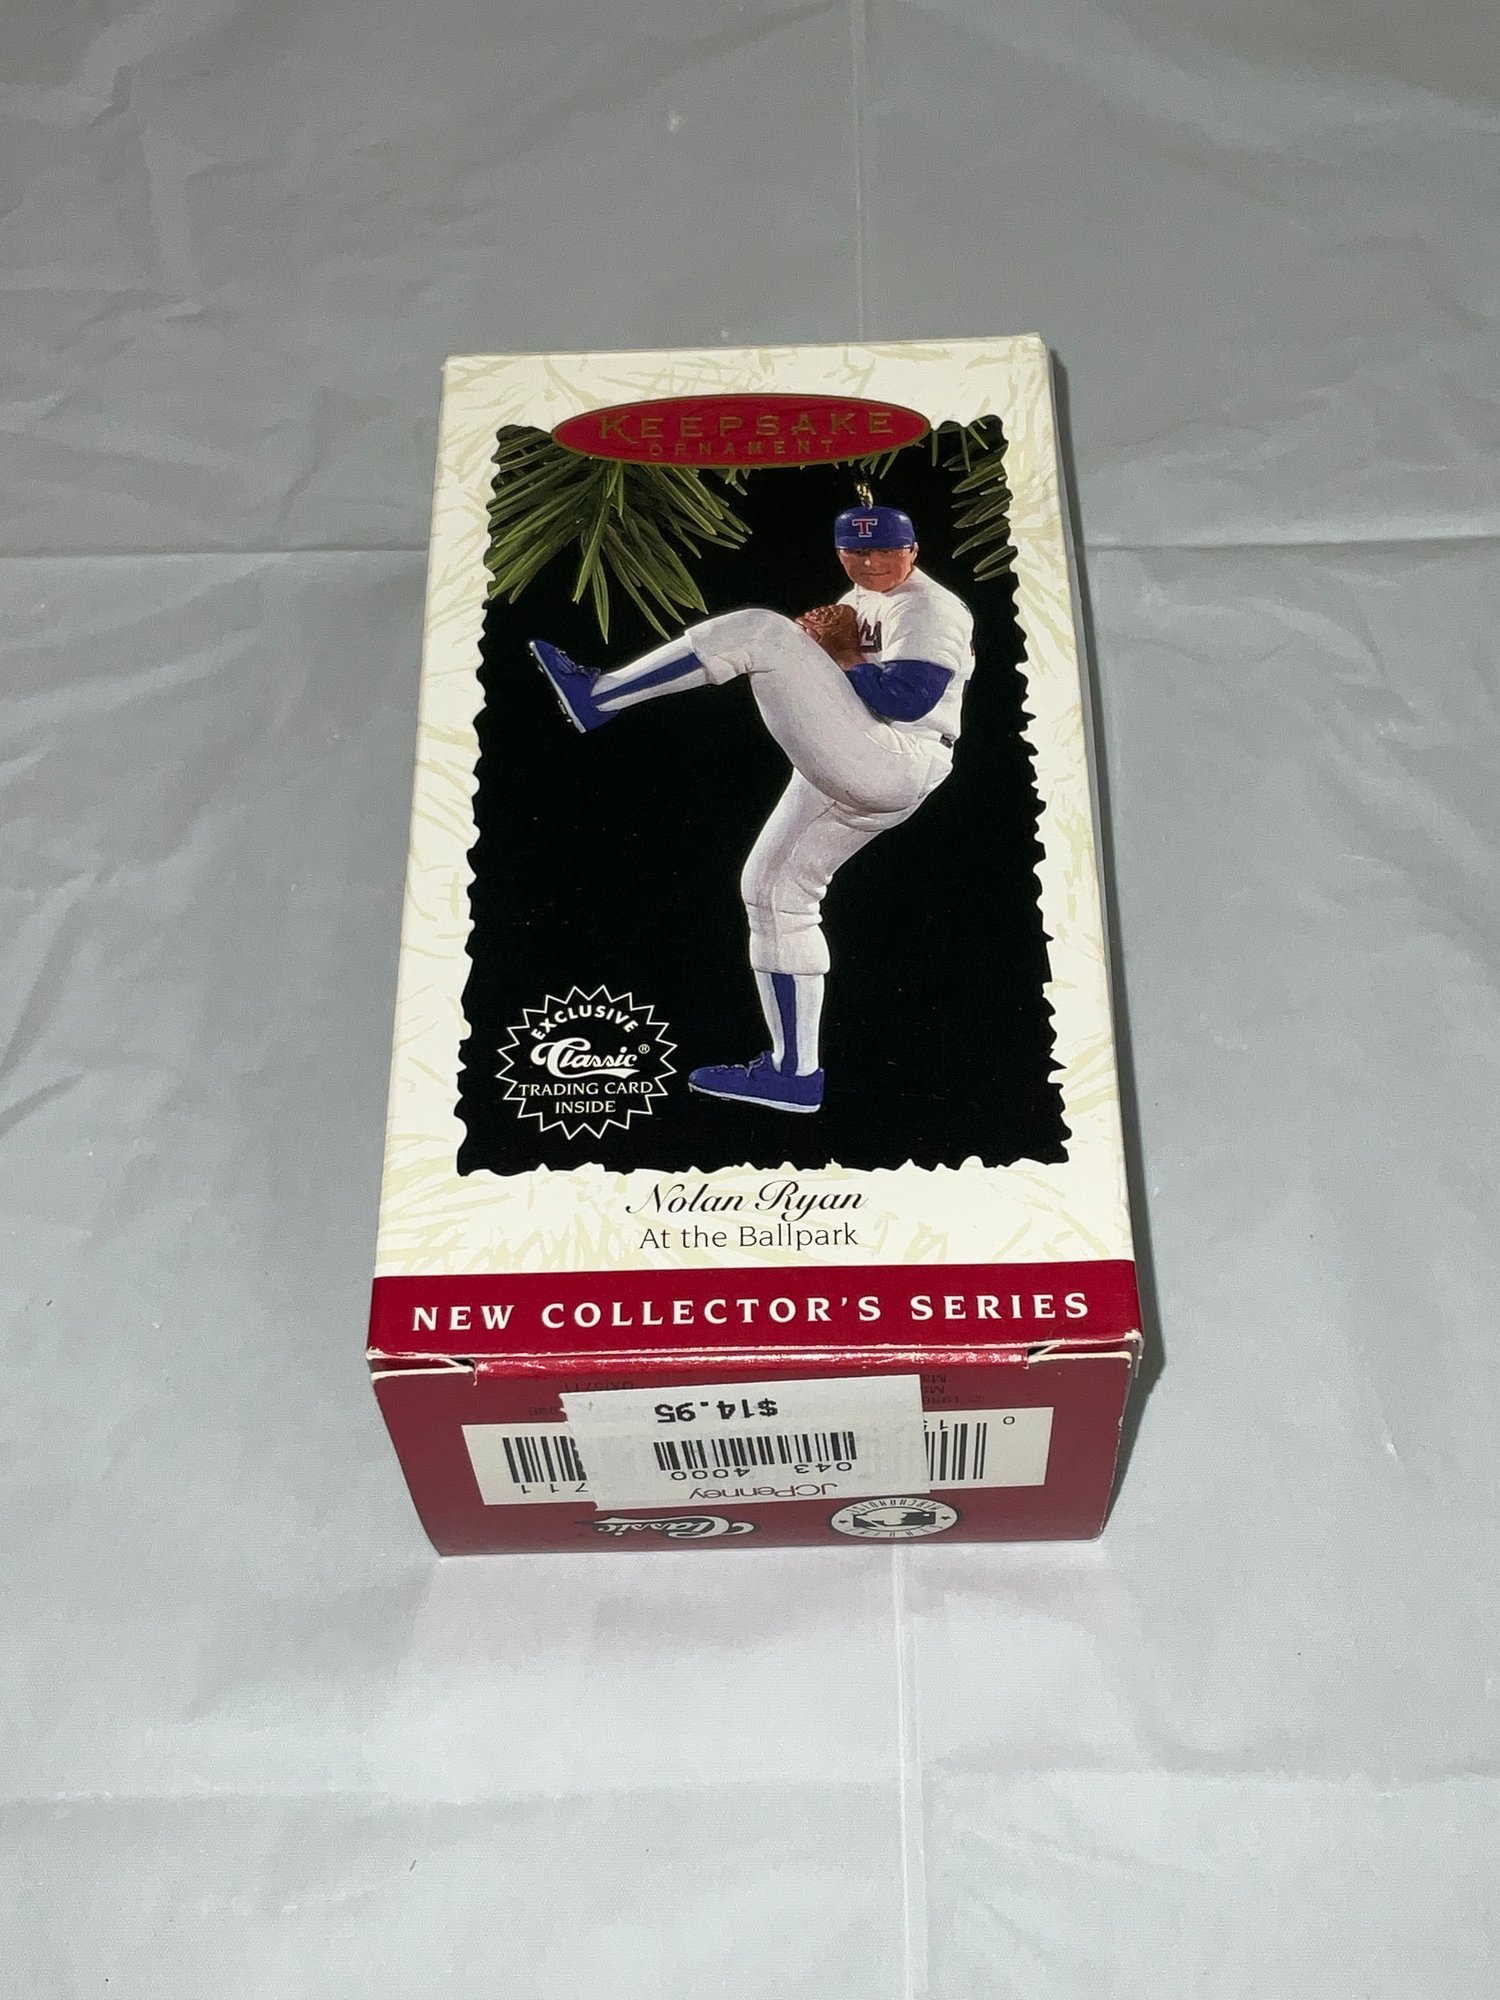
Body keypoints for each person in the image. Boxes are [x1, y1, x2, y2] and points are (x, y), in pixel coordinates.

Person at [530, 502, 975, 1112]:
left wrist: (833, 657)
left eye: (884, 551)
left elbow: (906, 698)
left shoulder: (928, 607)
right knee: (773, 895)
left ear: (913, 551)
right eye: (856, 551)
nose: (870, 563)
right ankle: (794, 1076)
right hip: (863, 757)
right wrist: (820, 659)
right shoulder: (861, 596)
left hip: (896, 753)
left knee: (761, 632)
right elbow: (847, 680)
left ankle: (598, 696)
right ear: (839, 552)